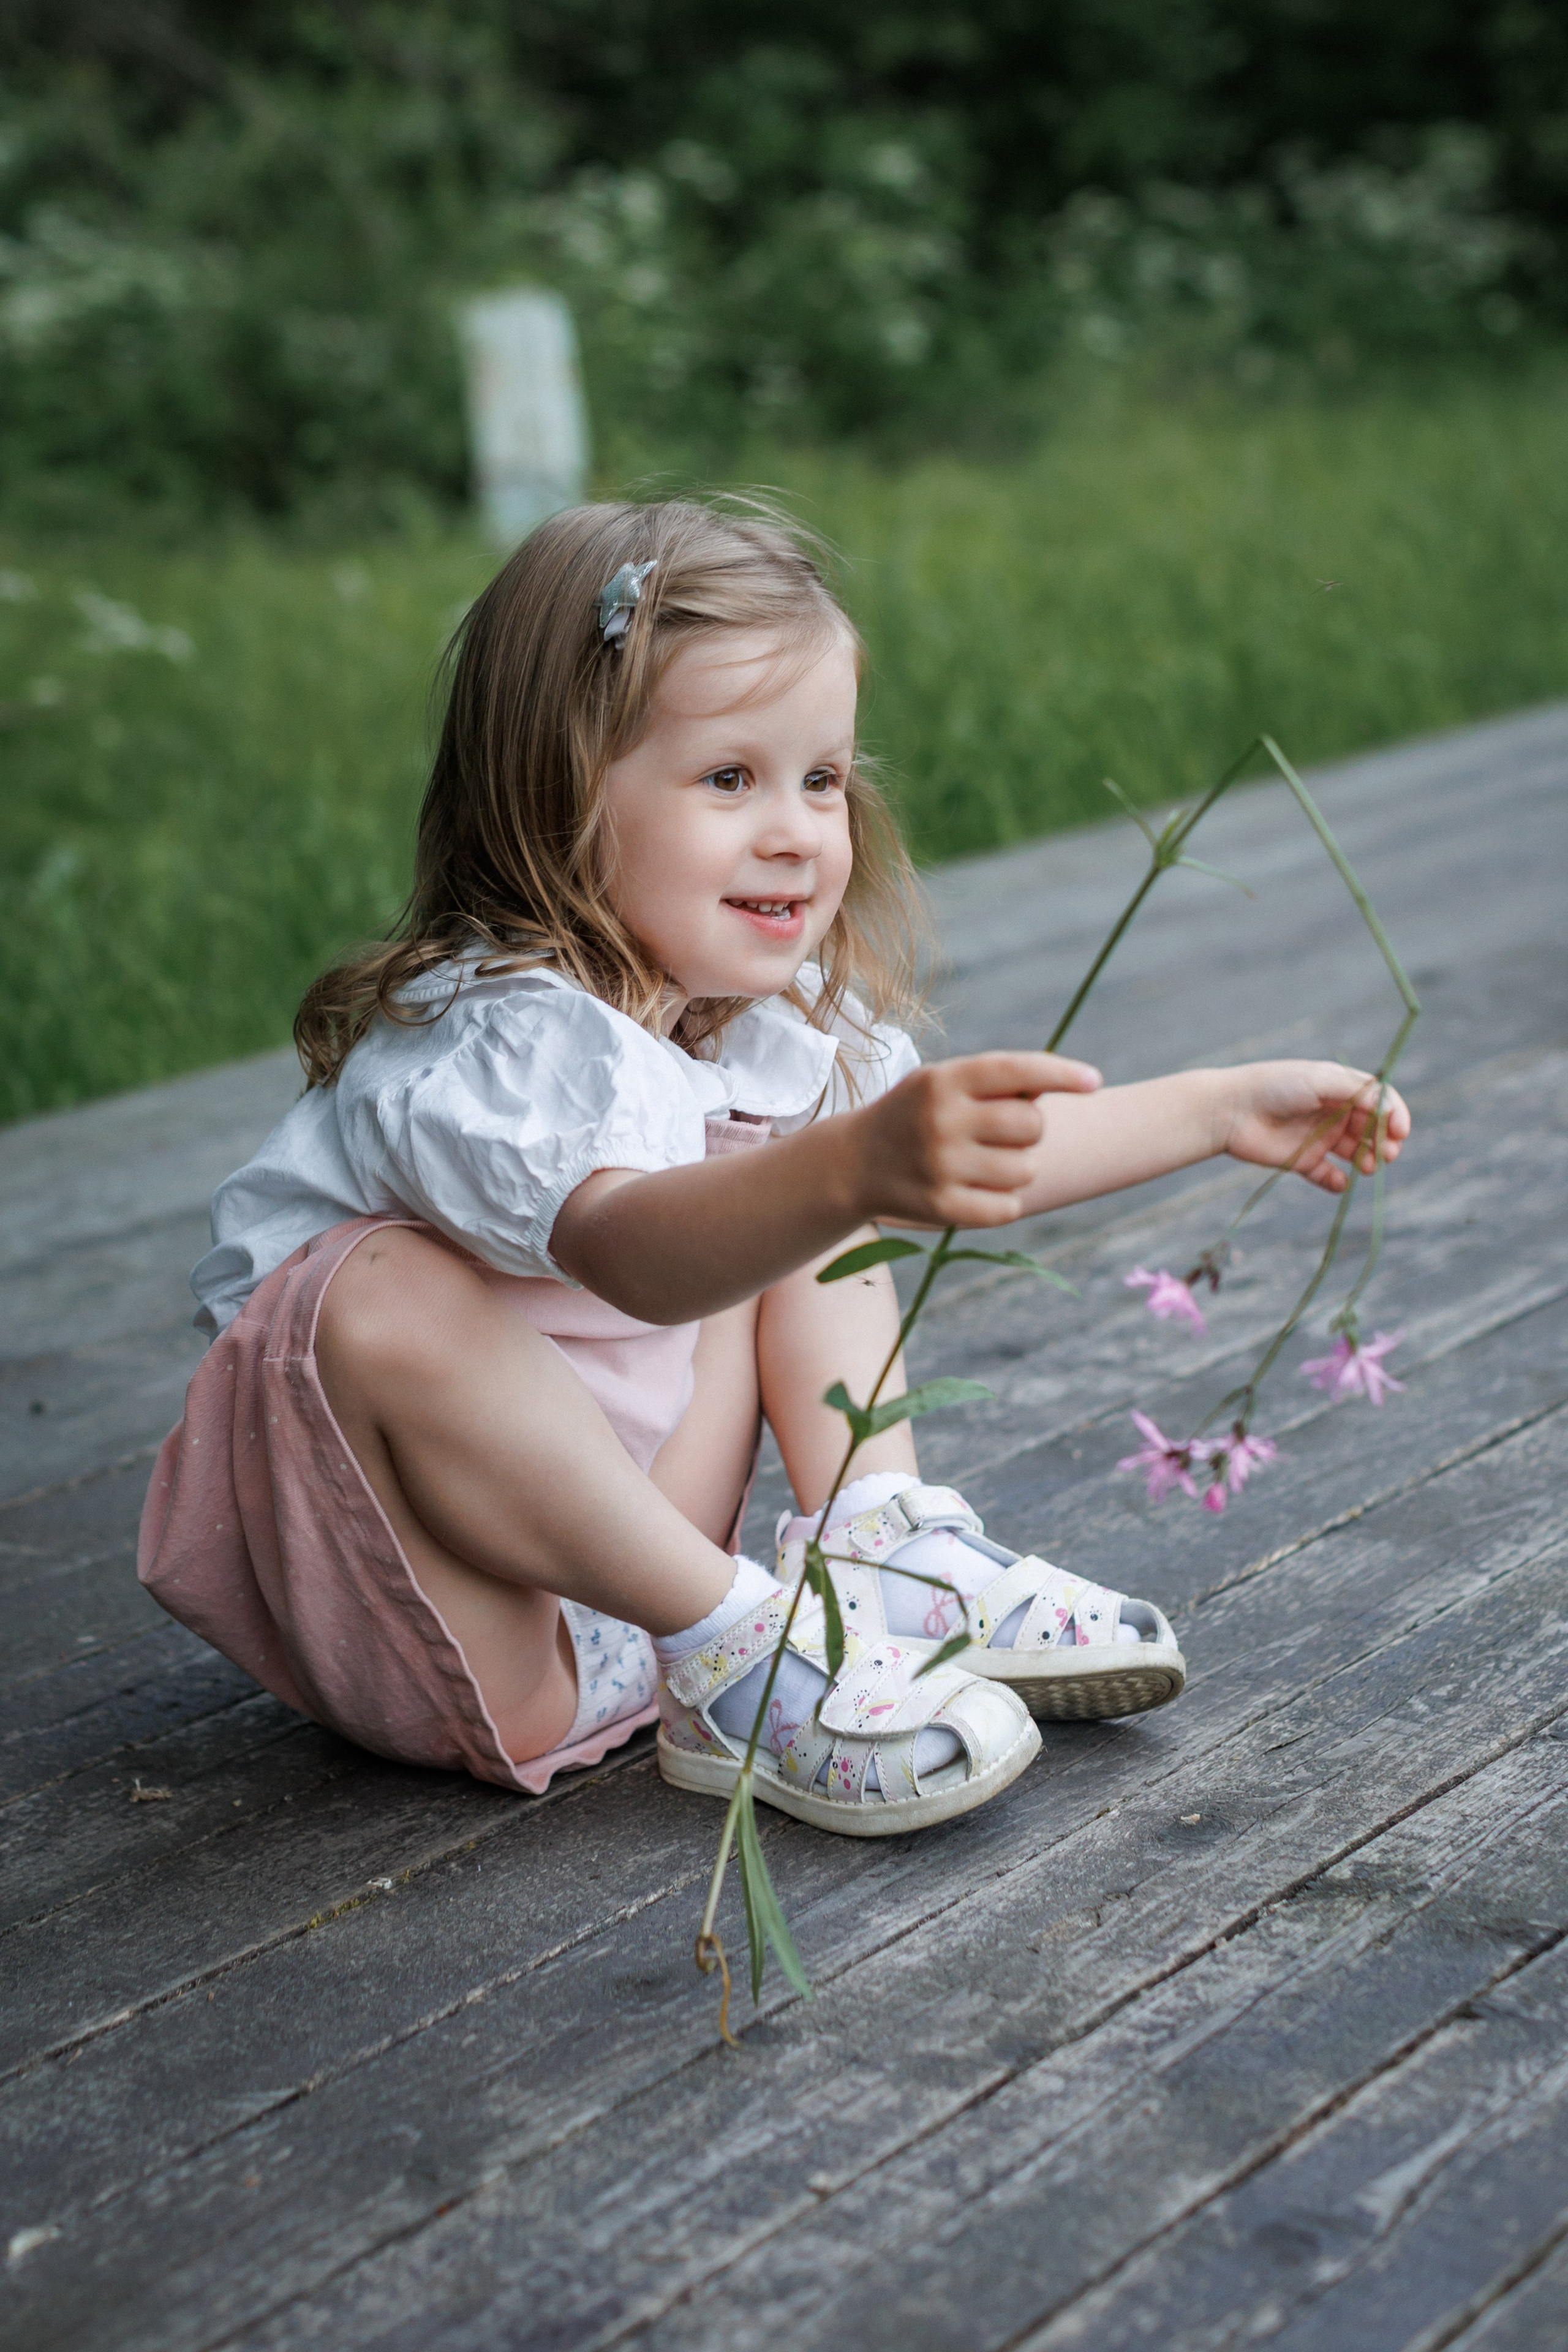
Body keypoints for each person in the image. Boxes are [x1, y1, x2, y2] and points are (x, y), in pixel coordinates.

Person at [138, 499, 1410, 1835]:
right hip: (477, 1628)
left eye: (823, 778)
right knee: (374, 1285)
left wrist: (1213, 1109)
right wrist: (847, 1167)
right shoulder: (487, 1036)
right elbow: (628, 1252)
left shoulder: (755, 1027)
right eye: (728, 780)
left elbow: (960, 1162)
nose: (798, 829)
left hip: (660, 1571)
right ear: (553, 796)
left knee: (810, 1150)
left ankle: (877, 1551)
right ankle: (747, 1652)